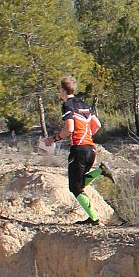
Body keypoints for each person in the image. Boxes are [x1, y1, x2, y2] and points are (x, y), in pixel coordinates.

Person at [41, 76, 111, 224]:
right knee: (79, 184)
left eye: (59, 90)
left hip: (79, 149)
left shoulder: (68, 106)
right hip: (90, 149)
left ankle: (94, 219)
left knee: (75, 187)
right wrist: (87, 135)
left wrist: (53, 139)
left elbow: (69, 128)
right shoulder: (84, 104)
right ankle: (101, 171)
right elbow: (97, 124)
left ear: (62, 90)